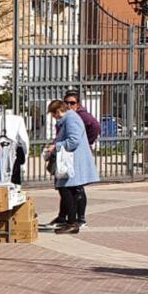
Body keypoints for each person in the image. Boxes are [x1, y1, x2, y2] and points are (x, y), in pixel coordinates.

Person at [41, 98, 99, 233]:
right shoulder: (69, 119)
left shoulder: (71, 119)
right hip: (71, 160)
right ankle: (68, 220)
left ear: (59, 111)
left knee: (67, 190)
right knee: (68, 190)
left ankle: (72, 222)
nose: (54, 118)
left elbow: (73, 140)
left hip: (72, 161)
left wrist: (56, 146)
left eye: (54, 114)